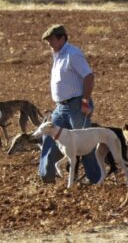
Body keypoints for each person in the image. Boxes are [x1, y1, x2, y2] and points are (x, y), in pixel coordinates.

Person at [39, 24, 101, 184]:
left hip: (76, 105)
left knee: (84, 141)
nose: (49, 43)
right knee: (48, 136)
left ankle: (94, 178)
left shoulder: (72, 54)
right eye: (47, 41)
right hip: (61, 107)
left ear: (62, 38)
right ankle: (46, 176)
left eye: (51, 40)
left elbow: (89, 77)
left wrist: (85, 101)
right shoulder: (58, 54)